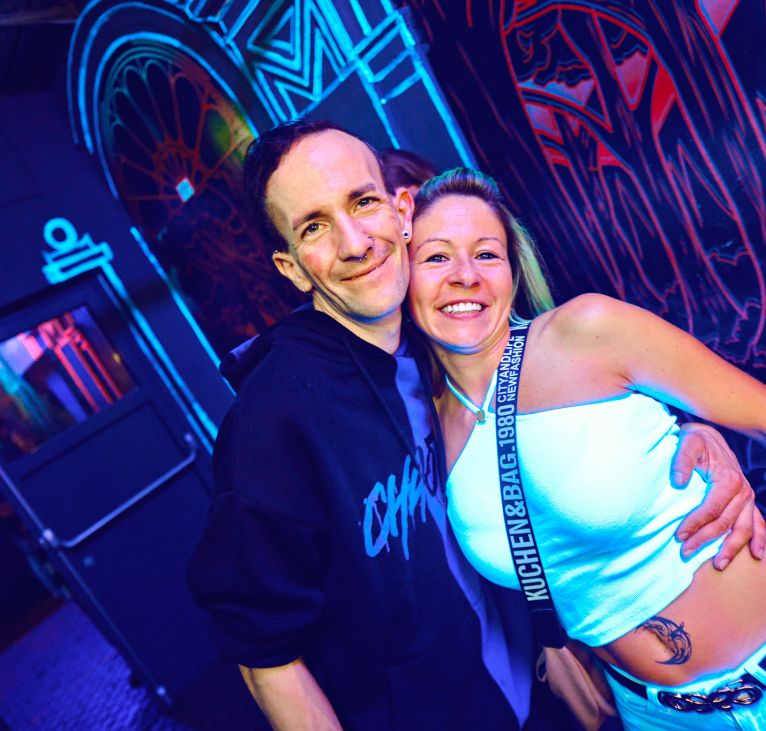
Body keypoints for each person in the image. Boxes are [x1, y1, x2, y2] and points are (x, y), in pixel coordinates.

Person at [187, 119, 763, 730]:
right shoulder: (277, 423)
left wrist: (694, 434)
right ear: (292, 267)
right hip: (641, 713)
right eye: (314, 226)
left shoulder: (447, 362)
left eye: (362, 202)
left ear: (398, 213)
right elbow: (263, 651)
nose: (354, 242)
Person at [405, 166, 766, 730]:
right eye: (436, 258)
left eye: (487, 254)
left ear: (512, 271)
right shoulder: (426, 432)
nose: (465, 275)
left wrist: (704, 434)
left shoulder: (583, 332)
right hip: (654, 714)